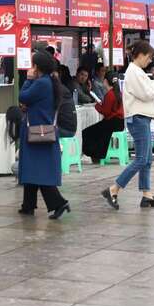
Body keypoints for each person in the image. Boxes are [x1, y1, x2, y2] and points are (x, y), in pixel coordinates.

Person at [102, 40, 154, 210]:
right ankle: (113, 189)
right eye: (149, 57)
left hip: (141, 118)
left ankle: (146, 194)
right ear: (141, 55)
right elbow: (147, 93)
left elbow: (146, 92)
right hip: (138, 119)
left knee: (147, 159)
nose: (150, 61)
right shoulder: (134, 72)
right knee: (141, 159)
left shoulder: (136, 71)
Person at [17, 52, 70, 219]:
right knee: (32, 168)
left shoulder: (41, 83)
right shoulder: (49, 81)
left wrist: (28, 80)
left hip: (37, 132)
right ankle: (28, 205)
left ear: (37, 67)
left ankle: (59, 203)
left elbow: (23, 96)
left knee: (37, 171)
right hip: (42, 131)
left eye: (33, 65)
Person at [83, 70, 125, 162]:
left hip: (111, 123)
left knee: (87, 132)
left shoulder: (110, 94)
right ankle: (97, 155)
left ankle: (94, 154)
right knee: (96, 130)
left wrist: (97, 106)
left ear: (105, 81)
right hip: (120, 122)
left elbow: (105, 112)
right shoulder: (118, 93)